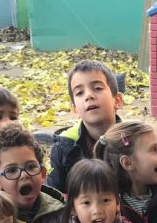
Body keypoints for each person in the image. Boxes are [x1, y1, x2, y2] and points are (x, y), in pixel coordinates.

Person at [48, 60, 123, 193]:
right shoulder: (63, 148)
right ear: (75, 109)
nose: (88, 96)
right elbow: (54, 197)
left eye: (97, 88)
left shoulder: (134, 140)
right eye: (79, 93)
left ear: (117, 100)